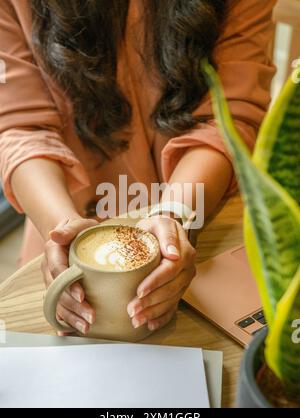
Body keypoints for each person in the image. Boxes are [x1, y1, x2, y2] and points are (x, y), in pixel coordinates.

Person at [0, 0, 276, 336]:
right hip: (59, 214)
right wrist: (62, 228)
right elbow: (21, 128)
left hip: (202, 218)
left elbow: (231, 114)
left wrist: (174, 214)